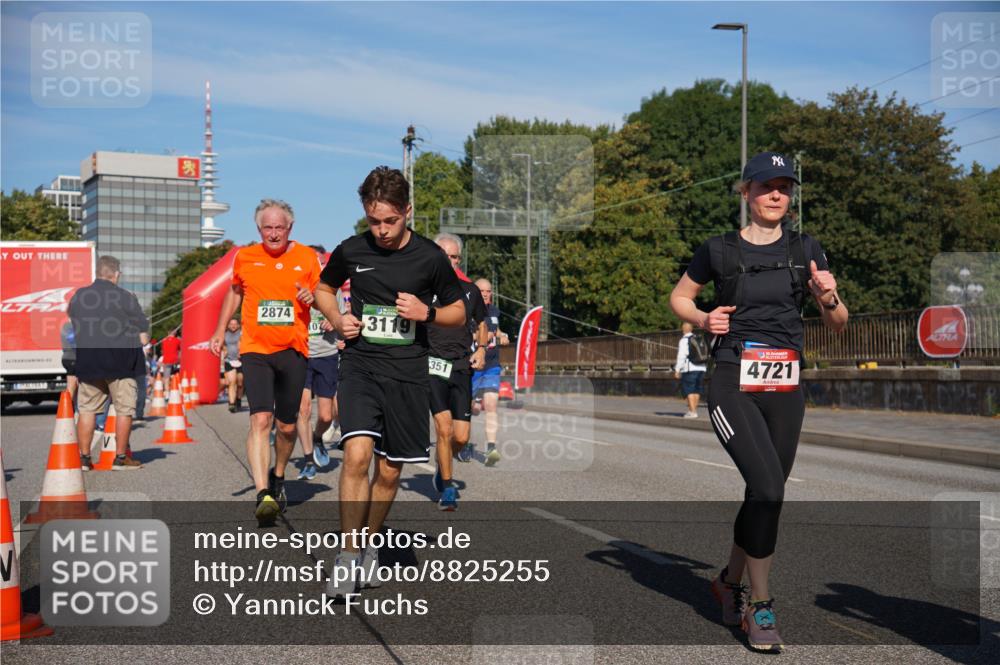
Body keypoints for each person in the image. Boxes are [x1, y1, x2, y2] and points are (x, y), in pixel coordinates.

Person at [669, 151, 848, 652]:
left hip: (786, 383)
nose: (776, 194)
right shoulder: (719, 250)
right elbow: (680, 297)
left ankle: (726, 581)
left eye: (784, 187)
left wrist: (828, 295)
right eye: (766, 185)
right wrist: (705, 319)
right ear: (745, 192)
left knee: (763, 493)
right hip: (733, 378)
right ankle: (760, 605)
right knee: (768, 487)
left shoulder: (806, 248)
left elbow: (838, 322)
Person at [313, 166, 465, 598]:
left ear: (407, 212)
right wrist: (336, 318)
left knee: (389, 469)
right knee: (357, 455)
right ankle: (346, 558)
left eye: (390, 221)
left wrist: (427, 313)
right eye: (373, 220)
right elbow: (324, 288)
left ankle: (368, 545)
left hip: (408, 372)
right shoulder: (352, 249)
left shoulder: (430, 257)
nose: (380, 230)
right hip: (360, 366)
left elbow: (459, 313)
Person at [210, 199, 321, 527]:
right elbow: (234, 292)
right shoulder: (245, 256)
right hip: (255, 349)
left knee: (287, 426)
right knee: (260, 419)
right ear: (259, 229)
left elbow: (322, 293)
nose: (273, 233)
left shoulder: (306, 258)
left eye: (279, 227)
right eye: (267, 228)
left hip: (293, 349)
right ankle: (263, 495)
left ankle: (279, 474)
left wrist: (311, 298)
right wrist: (219, 330)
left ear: (290, 228)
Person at [68, 255, 147, 471]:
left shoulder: (79, 297)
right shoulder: (125, 296)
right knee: (124, 409)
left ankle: (84, 459)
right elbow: (142, 330)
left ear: (97, 273)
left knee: (87, 409)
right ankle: (121, 458)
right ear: (116, 274)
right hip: (121, 362)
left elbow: (73, 323)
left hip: (88, 361)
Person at [427, 233, 487, 510]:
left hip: (462, 366)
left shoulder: (470, 290)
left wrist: (482, 349)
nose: (449, 261)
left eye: (453, 257)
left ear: (459, 260)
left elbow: (482, 323)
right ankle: (448, 487)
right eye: (444, 255)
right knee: (443, 427)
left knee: (461, 437)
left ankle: (444, 464)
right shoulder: (422, 288)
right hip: (432, 364)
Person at [294, 245, 340, 480]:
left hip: (326, 353)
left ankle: (318, 437)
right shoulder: (295, 286)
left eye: (320, 261)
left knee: (325, 416)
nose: (317, 266)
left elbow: (342, 318)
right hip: (302, 355)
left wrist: (335, 322)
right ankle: (308, 459)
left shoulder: (334, 289)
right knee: (303, 409)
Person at [471, 278, 509, 466]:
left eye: (489, 291)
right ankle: (463, 445)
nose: (486, 294)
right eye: (482, 291)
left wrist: (502, 335)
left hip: (492, 366)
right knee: (472, 409)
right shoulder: (467, 310)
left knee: (491, 406)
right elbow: (463, 335)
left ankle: (491, 448)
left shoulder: (494, 311)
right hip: (473, 367)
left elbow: (497, 329)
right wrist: (483, 336)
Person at [674, 322, 708, 418]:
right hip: (701, 367)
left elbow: (681, 356)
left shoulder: (684, 340)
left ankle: (692, 411)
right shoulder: (699, 339)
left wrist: (677, 370)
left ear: (684, 329)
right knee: (697, 389)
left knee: (689, 389)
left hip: (689, 368)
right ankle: (694, 410)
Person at [222, 318, 245, 412]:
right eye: (231, 324)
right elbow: (222, 344)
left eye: (235, 324)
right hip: (229, 360)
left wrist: (242, 351)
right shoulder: (224, 334)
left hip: (241, 361)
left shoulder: (242, 333)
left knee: (240, 383)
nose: (233, 325)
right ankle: (232, 403)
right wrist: (224, 350)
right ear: (228, 325)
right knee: (232, 382)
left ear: (238, 325)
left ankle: (238, 399)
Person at [60, 319, 78, 400]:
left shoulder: (65, 325)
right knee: (74, 387)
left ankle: (72, 408)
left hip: (66, 357)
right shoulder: (74, 326)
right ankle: (68, 407)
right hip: (74, 358)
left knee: (72, 386)